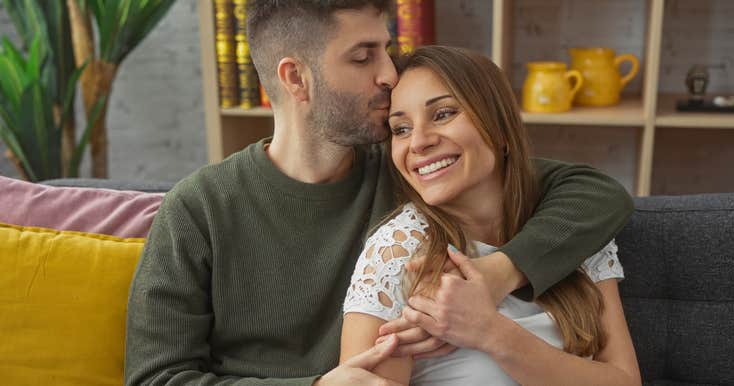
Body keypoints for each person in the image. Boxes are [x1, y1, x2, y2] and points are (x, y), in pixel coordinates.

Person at [124, 2, 634, 385]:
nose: (389, 73)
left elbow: (595, 193)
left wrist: (497, 275)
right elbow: (155, 379)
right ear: (296, 78)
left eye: (386, 50)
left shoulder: (413, 173)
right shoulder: (198, 209)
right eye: (364, 56)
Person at [340, 45, 641, 385]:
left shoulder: (571, 226)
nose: (418, 143)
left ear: (500, 129)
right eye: (401, 129)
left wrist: (492, 334)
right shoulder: (399, 250)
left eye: (442, 114)